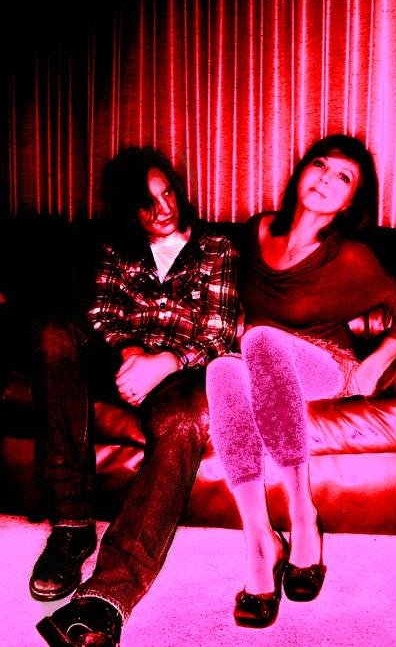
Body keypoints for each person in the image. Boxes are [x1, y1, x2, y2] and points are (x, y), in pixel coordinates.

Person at [206, 134, 396, 629]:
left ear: (349, 204)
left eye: (342, 178)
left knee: (260, 341)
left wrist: (378, 360)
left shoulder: (351, 258)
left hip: (327, 366)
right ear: (301, 171)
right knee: (222, 369)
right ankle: (260, 541)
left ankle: (304, 518)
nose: (325, 178)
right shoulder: (258, 231)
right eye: (319, 165)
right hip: (260, 364)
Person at [31, 146, 239, 646]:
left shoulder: (217, 248)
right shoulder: (116, 248)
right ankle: (72, 526)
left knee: (187, 417)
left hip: (182, 372)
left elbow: (219, 334)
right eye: (148, 202)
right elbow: (101, 313)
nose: (164, 208)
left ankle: (105, 599)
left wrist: (164, 363)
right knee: (55, 333)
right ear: (128, 210)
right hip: (122, 361)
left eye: (168, 193)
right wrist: (130, 353)